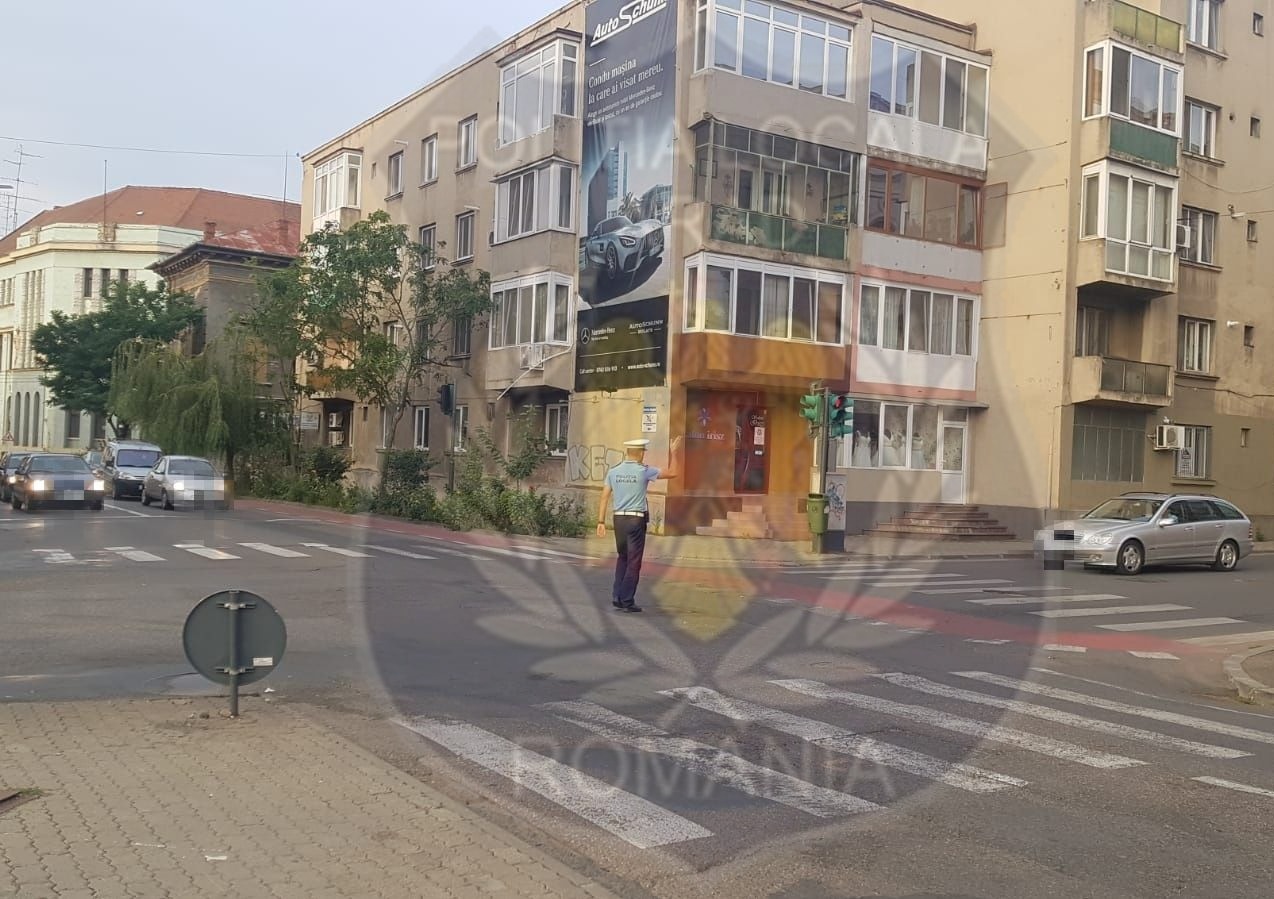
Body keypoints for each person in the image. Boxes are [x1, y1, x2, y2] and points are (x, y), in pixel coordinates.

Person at [596, 435, 682, 612]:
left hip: (618, 520)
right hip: (635, 520)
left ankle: (617, 596)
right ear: (641, 453)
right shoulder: (644, 471)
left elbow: (604, 496)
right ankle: (627, 600)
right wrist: (674, 452)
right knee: (634, 561)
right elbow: (673, 472)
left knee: (622, 557)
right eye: (643, 452)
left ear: (628, 453)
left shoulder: (614, 471)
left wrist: (601, 521)